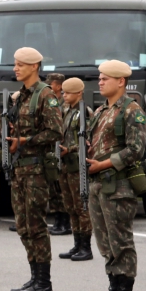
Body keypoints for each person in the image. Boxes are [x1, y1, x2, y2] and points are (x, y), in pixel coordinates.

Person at [84, 60, 146, 291]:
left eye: (105, 78)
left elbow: (136, 149)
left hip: (118, 185)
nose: (100, 81)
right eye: (100, 78)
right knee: (104, 241)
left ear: (121, 81)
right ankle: (113, 288)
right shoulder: (100, 112)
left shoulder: (131, 110)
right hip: (99, 185)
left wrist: (104, 164)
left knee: (121, 240)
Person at [5, 47, 62, 291]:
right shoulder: (21, 97)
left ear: (35, 67)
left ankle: (44, 281)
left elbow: (55, 131)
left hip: (36, 168)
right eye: (15, 64)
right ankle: (34, 277)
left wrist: (25, 140)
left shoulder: (45, 95)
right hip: (20, 167)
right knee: (23, 225)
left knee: (36, 225)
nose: (16, 68)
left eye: (21, 64)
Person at [56, 78, 94, 261]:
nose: (64, 95)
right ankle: (77, 244)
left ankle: (86, 247)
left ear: (78, 93)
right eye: (63, 92)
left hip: (77, 165)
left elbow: (88, 142)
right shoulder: (65, 110)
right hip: (65, 166)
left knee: (81, 206)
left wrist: (69, 150)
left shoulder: (83, 113)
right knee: (70, 206)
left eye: (68, 93)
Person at [45, 73, 71, 235]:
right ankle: (57, 220)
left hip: (64, 150)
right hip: (52, 150)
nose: (48, 87)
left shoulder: (64, 105)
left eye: (51, 84)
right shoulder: (52, 102)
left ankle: (64, 221)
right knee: (54, 188)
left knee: (62, 189)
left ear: (59, 86)